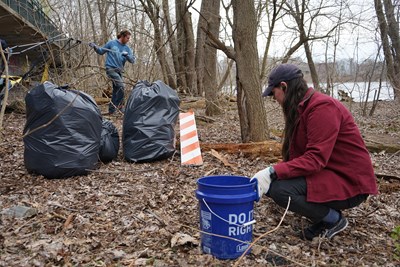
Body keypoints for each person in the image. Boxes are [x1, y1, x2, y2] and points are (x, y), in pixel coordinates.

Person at [252, 63, 378, 240]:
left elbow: (315, 159)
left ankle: (334, 219)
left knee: (281, 191)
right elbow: (299, 156)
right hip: (329, 172)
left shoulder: (322, 108)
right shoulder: (302, 108)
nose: (274, 98)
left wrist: (273, 171)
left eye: (273, 93)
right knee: (275, 186)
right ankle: (324, 215)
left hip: (350, 182)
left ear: (284, 86)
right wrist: (275, 173)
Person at [89, 30, 136, 115]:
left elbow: (132, 60)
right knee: (121, 86)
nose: (128, 40)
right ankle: (121, 106)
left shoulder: (127, 48)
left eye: (129, 38)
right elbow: (101, 51)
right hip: (110, 69)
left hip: (120, 71)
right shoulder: (111, 43)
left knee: (116, 90)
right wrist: (95, 47)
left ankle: (111, 110)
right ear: (122, 36)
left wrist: (127, 56)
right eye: (127, 38)